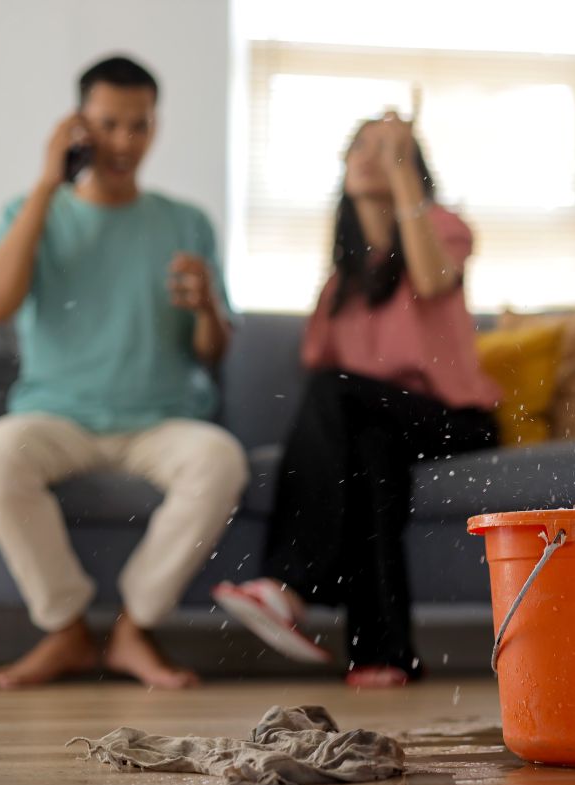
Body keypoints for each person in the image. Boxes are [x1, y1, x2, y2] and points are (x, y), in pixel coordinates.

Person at [0, 55, 248, 690]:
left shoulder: (187, 222)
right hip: (56, 417)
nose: (124, 141)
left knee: (220, 460)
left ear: (155, 127)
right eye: (108, 124)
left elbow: (213, 352)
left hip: (161, 422)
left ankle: (132, 629)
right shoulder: (31, 211)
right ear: (78, 126)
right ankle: (65, 631)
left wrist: (207, 305)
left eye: (138, 125)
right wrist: (47, 184)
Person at [213, 113, 500, 688]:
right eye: (360, 147)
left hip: (454, 421)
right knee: (370, 454)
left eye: (389, 149)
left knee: (338, 396)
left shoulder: (443, 228)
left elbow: (433, 280)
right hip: (384, 425)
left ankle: (290, 585)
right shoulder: (340, 285)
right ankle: (384, 654)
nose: (371, 156)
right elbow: (321, 368)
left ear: (413, 168)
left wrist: (403, 176)